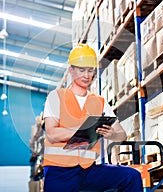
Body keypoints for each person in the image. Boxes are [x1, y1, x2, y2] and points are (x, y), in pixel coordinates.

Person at [42, 44, 143, 191]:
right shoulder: (55, 97)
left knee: (131, 176)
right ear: (71, 70)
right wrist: (80, 130)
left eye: (90, 70)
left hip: (87, 170)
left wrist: (112, 134)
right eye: (81, 70)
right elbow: (51, 134)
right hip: (59, 172)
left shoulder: (99, 101)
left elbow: (122, 134)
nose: (86, 75)